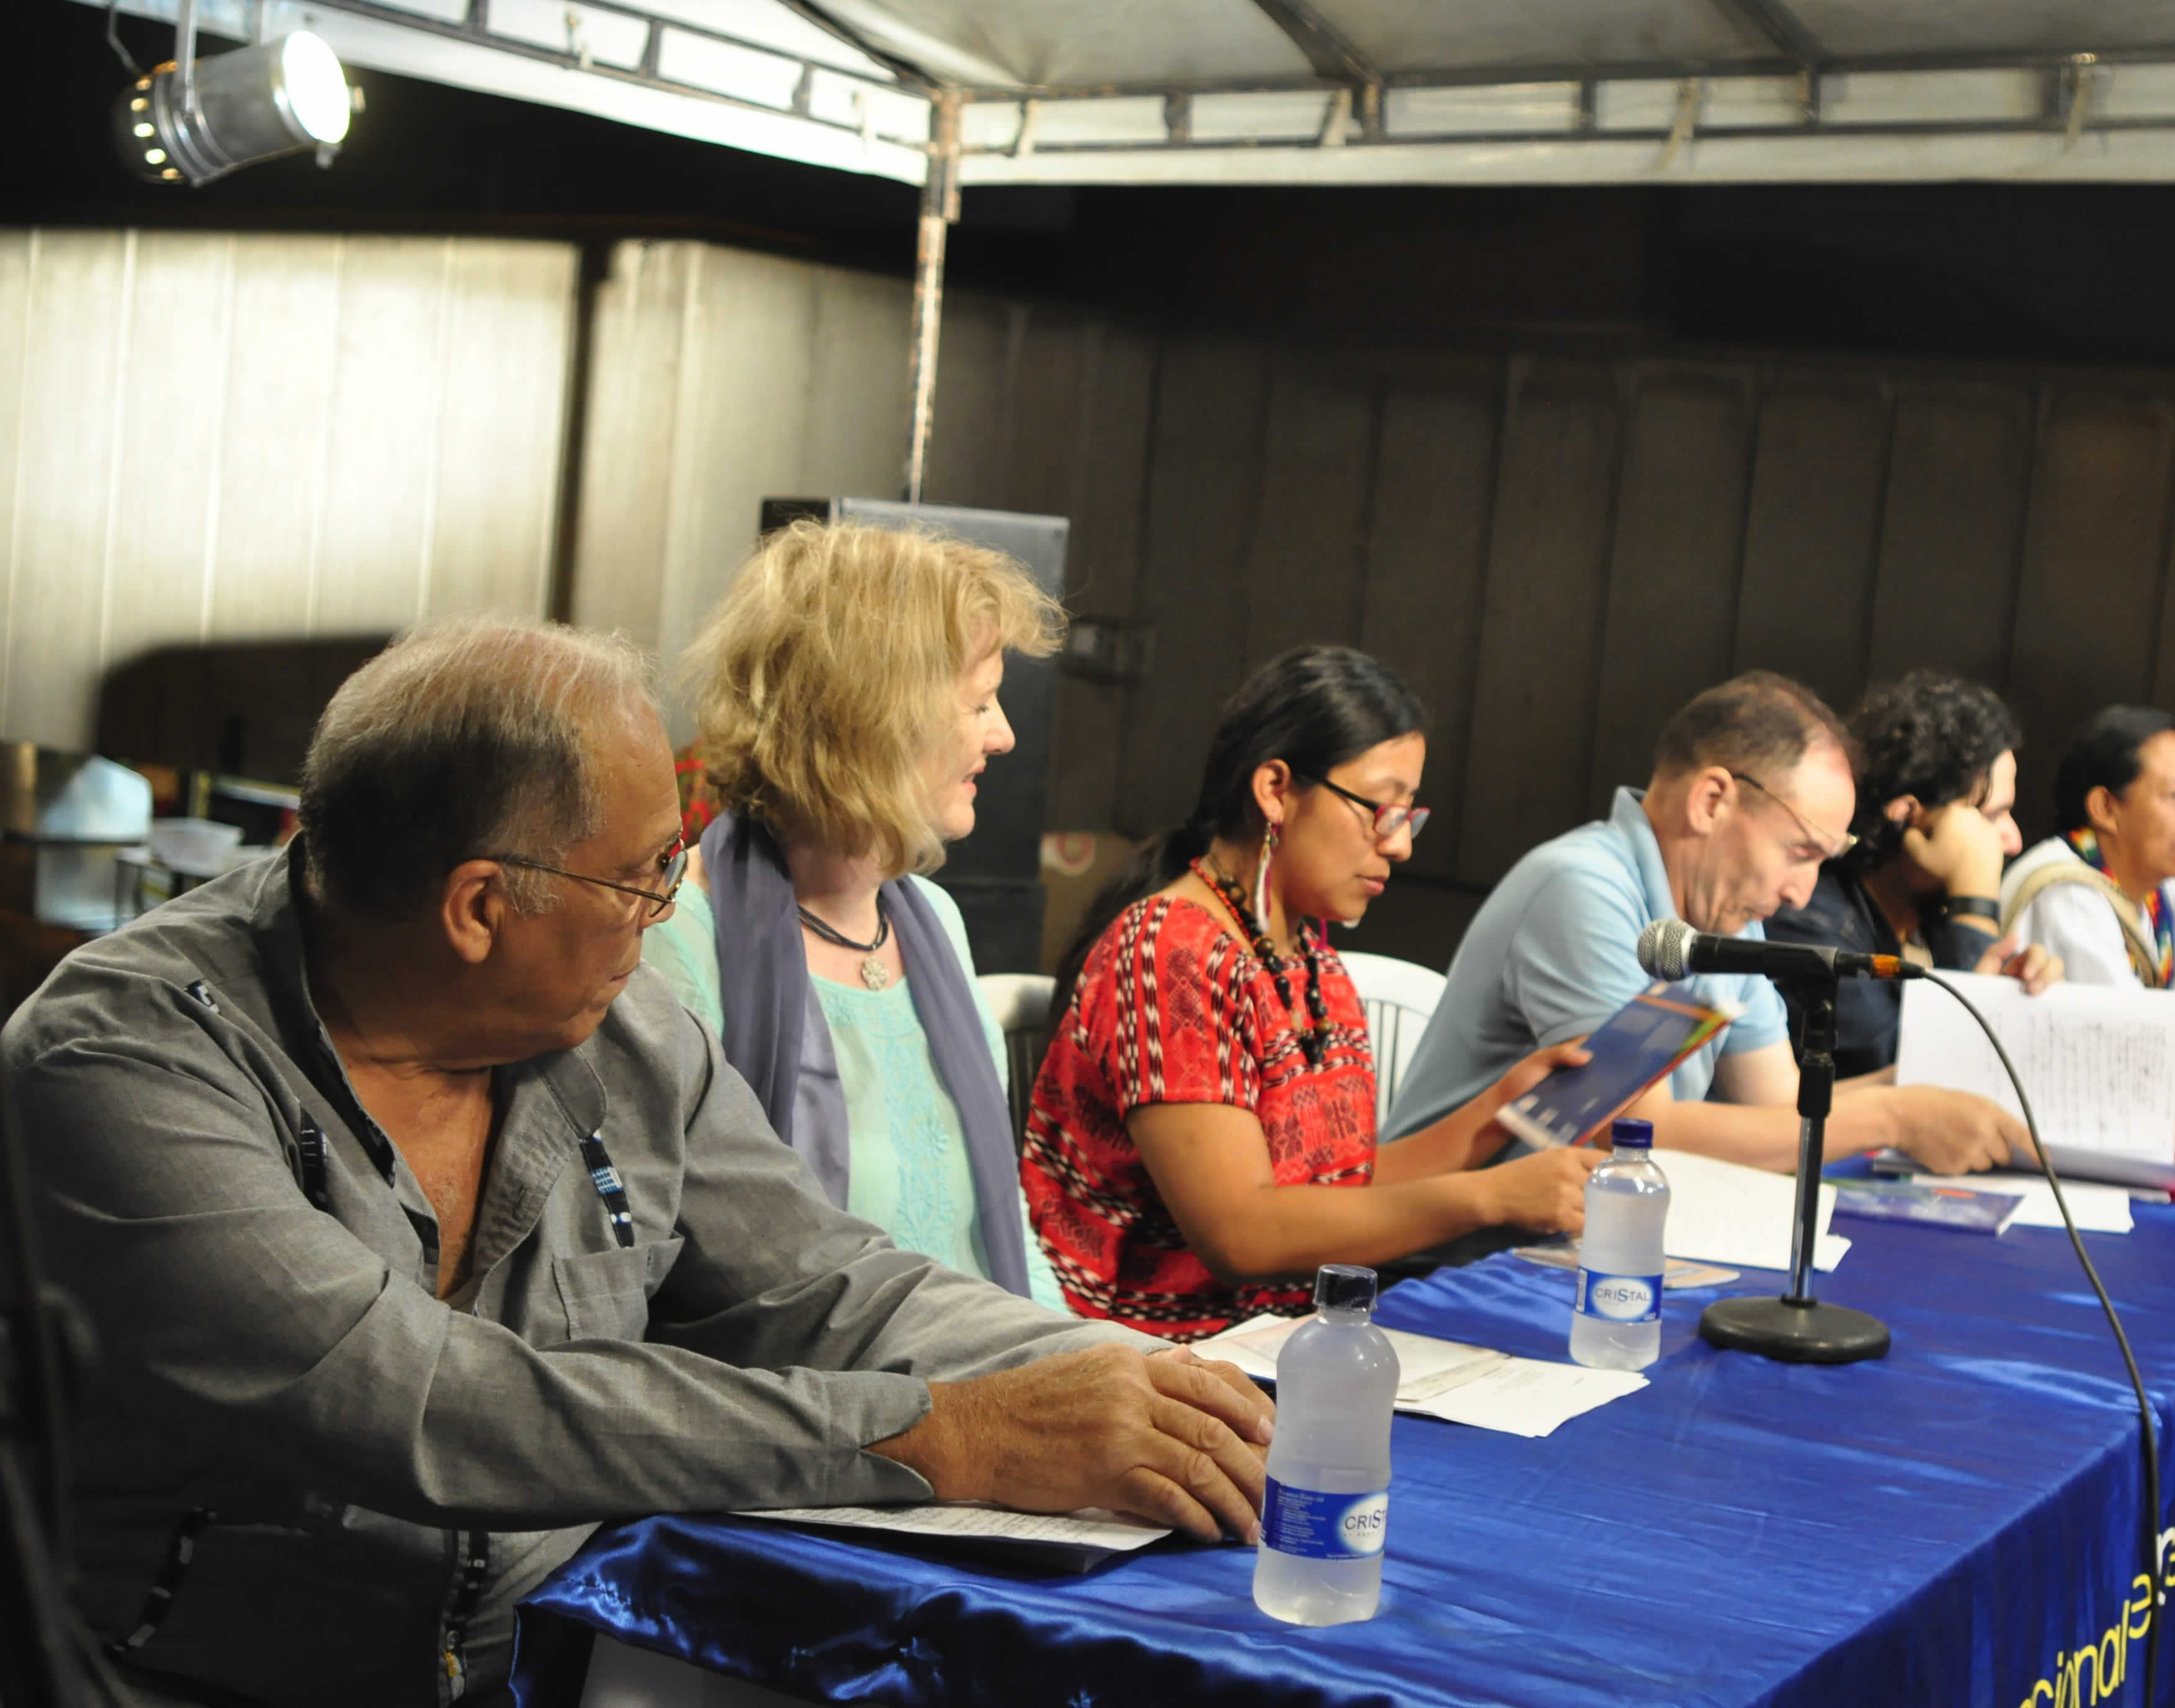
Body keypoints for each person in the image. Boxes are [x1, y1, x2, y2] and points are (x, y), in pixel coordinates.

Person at [2, 620, 1273, 1708]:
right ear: (480, 905)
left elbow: (827, 1283)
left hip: (548, 1666)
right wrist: (939, 1434)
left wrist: (1139, 1381)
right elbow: (419, 1401)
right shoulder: (121, 1058)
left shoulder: (615, 1023)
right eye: (646, 872)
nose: (672, 904)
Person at [1020, 645, 1596, 1339]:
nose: (1401, 846)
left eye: (1410, 817)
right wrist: (1487, 1198)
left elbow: (1338, 1192)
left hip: (1285, 1336)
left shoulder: (1307, 954)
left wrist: (1504, 1106)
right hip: (1157, 1360)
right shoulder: (1173, 951)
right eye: (1381, 810)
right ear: (1275, 790)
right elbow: (1243, 1236)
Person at [647, 522, 1070, 1311]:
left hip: (989, 1373)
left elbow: (1000, 1230)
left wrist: (1090, 1359)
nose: (1004, 734)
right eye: (979, 703)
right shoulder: (679, 940)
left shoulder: (934, 919)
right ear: (873, 719)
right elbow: (700, 1273)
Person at [1386, 671, 2034, 1173]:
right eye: (1800, 851)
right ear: (1711, 801)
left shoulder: (1726, 919)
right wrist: (1896, 1116)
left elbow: (1777, 1108)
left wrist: (1937, 1080)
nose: (1803, 893)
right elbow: (1632, 1131)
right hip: (1442, 1259)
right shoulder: (1581, 886)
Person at [1762, 671, 2059, 1077]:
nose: (2012, 840)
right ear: (1908, 817)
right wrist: (1973, 903)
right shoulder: (1811, 923)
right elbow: (1921, 1080)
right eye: (1992, 817)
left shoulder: (1925, 924)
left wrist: (2018, 993)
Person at [1999, 704, 2175, 1134]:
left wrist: (2159, 1030)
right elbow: (2126, 1047)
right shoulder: (2065, 890)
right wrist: (2162, 1031)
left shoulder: (2166, 896)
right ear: (2106, 807)